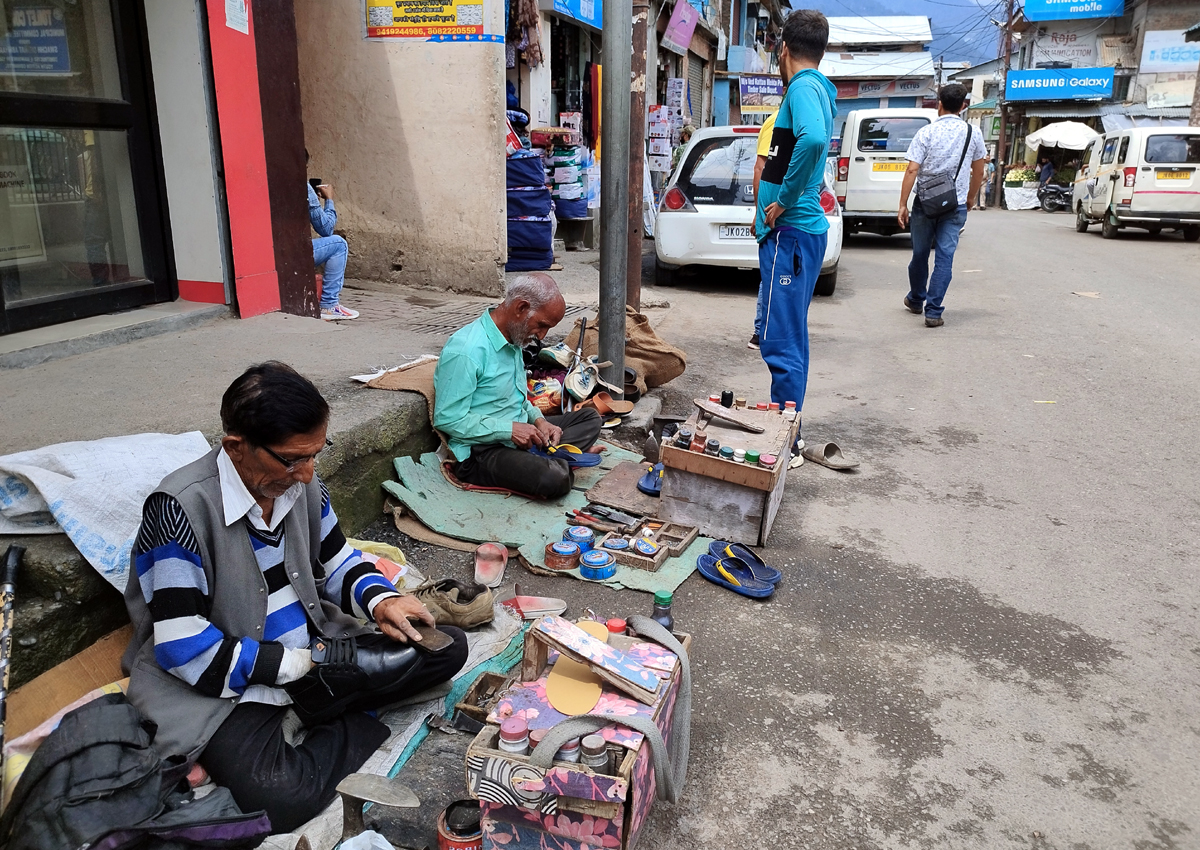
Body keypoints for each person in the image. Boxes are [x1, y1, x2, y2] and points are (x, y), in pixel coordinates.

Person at [123, 362, 467, 833]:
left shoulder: (302, 486)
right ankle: (342, 710)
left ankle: (322, 705)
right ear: (236, 447)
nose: (306, 474)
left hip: (317, 651)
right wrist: (299, 666)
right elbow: (183, 647)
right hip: (225, 687)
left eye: (314, 454)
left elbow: (336, 560)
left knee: (447, 644)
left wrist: (382, 600)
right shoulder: (179, 509)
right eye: (291, 459)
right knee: (280, 797)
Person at [433, 273, 602, 499]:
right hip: (482, 451)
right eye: (542, 325)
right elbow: (448, 419)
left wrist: (540, 421)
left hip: (518, 432)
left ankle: (553, 455)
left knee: (590, 418)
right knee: (556, 479)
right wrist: (510, 430)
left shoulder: (513, 339)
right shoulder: (467, 350)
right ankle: (561, 458)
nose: (542, 336)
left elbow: (519, 400)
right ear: (521, 308)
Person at [753, 9, 837, 460]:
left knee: (780, 340)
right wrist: (765, 214)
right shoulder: (819, 87)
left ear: (782, 49)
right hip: (789, 233)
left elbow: (813, 141)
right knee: (787, 336)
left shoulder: (803, 87)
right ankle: (791, 430)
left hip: (792, 232)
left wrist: (781, 202)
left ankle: (788, 440)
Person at [897, 83, 987, 328]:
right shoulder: (973, 133)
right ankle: (933, 312)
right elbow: (978, 171)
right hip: (955, 204)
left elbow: (912, 169)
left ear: (939, 103)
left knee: (920, 253)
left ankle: (916, 299)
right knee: (945, 257)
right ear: (963, 106)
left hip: (925, 203)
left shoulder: (926, 133)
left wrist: (902, 204)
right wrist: (970, 197)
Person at [307, 154, 356, 321]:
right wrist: (329, 200)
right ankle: (329, 305)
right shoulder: (304, 187)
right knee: (339, 244)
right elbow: (326, 228)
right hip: (295, 252)